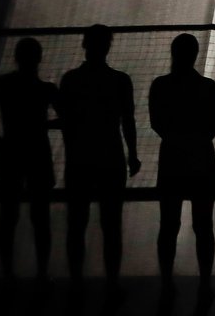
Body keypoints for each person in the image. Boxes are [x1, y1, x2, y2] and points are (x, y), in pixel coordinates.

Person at [59, 24, 141, 293]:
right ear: (108, 46)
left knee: (77, 223)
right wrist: (133, 155)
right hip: (110, 157)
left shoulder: (71, 80)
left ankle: (75, 281)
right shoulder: (119, 81)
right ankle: (112, 281)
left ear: (84, 44)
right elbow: (127, 121)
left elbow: (67, 122)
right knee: (111, 224)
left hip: (80, 159)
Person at [0, 37, 60, 280]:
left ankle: (8, 272)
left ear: (16, 57)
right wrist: (43, 124)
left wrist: (0, 142)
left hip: (12, 153)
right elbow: (68, 118)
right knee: (40, 218)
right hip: (38, 153)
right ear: (39, 58)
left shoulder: (4, 84)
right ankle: (42, 273)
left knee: (9, 217)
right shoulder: (46, 89)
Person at [149, 33, 215, 298]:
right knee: (204, 225)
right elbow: (213, 125)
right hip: (202, 160)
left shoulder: (160, 86)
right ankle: (204, 282)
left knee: (168, 224)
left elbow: (157, 122)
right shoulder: (208, 87)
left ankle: (167, 282)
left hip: (172, 161)